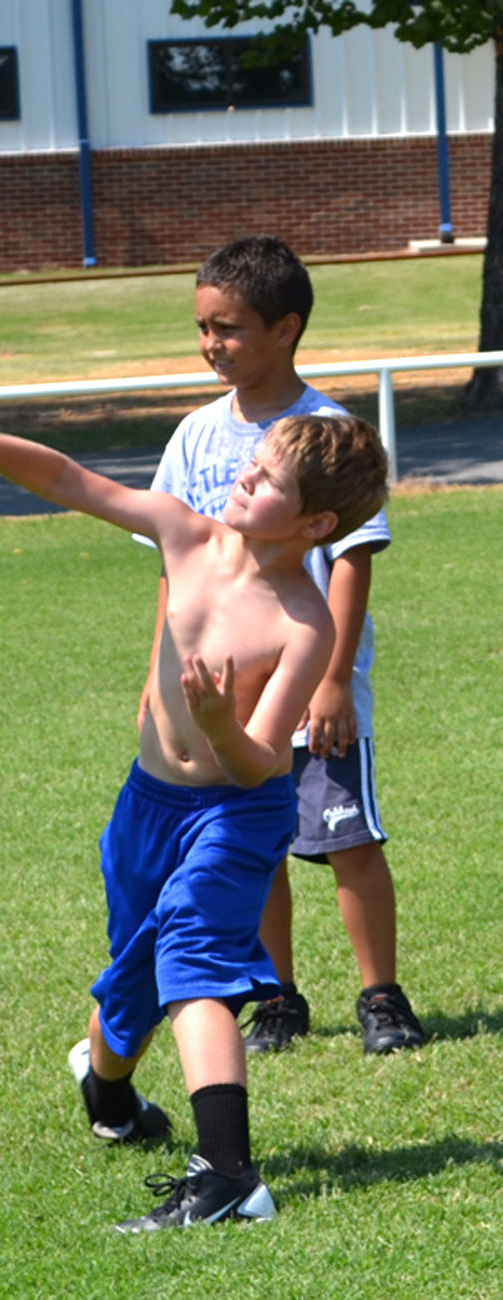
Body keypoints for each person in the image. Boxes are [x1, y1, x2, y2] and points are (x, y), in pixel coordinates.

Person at [0, 410, 389, 1230]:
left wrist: (218, 724)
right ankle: (111, 1093)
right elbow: (68, 480)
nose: (245, 477)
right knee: (128, 986)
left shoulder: (305, 622)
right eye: (253, 463)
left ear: (317, 524)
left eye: (269, 479)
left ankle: (228, 1175)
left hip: (236, 815)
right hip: (147, 806)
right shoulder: (183, 534)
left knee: (193, 962)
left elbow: (262, 761)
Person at [137, 235, 424, 1056]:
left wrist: (333, 680)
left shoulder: (328, 433)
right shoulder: (194, 435)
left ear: (285, 328)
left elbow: (355, 561)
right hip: (226, 702)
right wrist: (158, 678)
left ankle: (381, 997)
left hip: (309, 684)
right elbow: (174, 568)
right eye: (202, 326)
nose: (209, 344)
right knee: (253, 848)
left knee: (347, 841)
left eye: (227, 328)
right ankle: (277, 998)